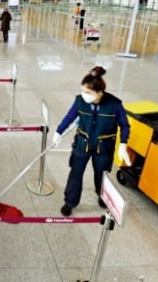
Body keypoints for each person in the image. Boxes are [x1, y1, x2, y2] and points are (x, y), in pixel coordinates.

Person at [52, 66, 132, 217]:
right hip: (82, 144)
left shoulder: (115, 104)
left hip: (104, 147)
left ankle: (102, 195)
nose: (84, 95)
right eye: (82, 91)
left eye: (88, 92)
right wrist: (58, 131)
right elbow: (69, 117)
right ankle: (70, 202)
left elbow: (125, 125)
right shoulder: (79, 100)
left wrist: (123, 144)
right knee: (75, 174)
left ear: (99, 92)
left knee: (102, 174)